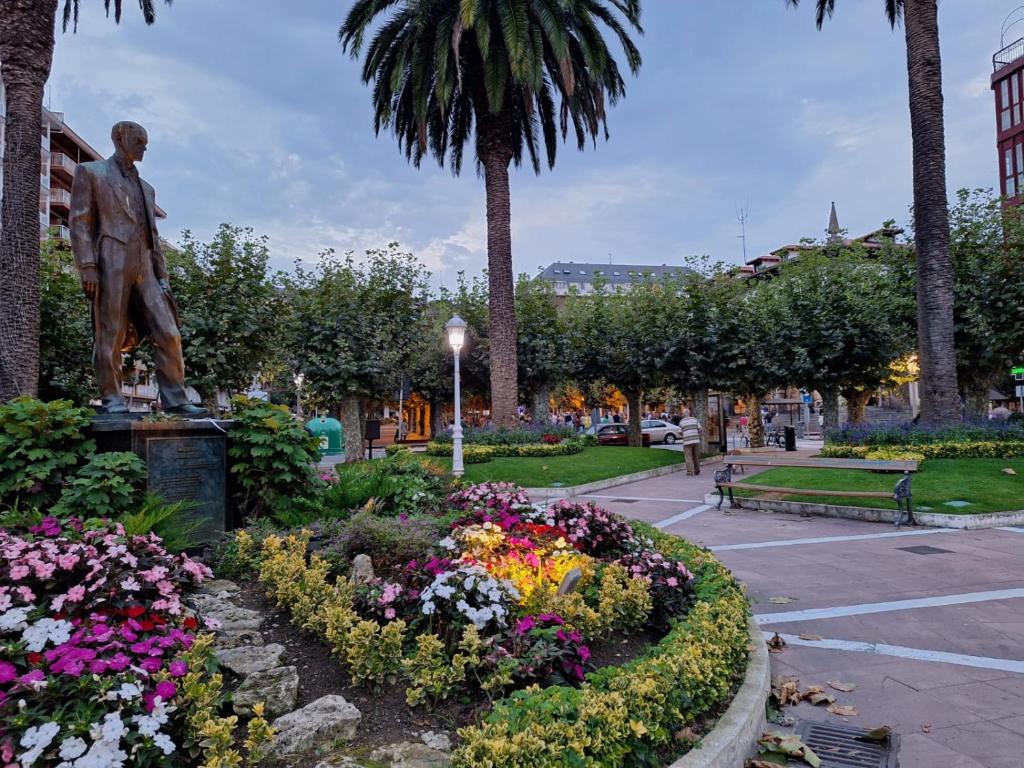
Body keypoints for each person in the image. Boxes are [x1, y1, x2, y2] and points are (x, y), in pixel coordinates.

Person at [69, 121, 206, 415]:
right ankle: (112, 399)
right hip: (111, 258)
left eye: (145, 141)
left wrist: (163, 276)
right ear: (120, 138)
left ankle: (177, 399)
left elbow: (153, 235)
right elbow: (80, 223)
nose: (145, 146)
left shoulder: (147, 188)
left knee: (169, 332)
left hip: (145, 263)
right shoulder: (92, 173)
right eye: (139, 140)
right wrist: (88, 266)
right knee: (110, 331)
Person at [678, 408, 702, 476]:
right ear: (689, 413)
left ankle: (690, 471)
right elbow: (700, 429)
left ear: (684, 414)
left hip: (687, 441)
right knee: (696, 456)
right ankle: (697, 470)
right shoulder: (695, 419)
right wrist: (696, 433)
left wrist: (685, 434)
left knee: (688, 457)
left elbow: (679, 432)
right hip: (696, 440)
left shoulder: (681, 421)